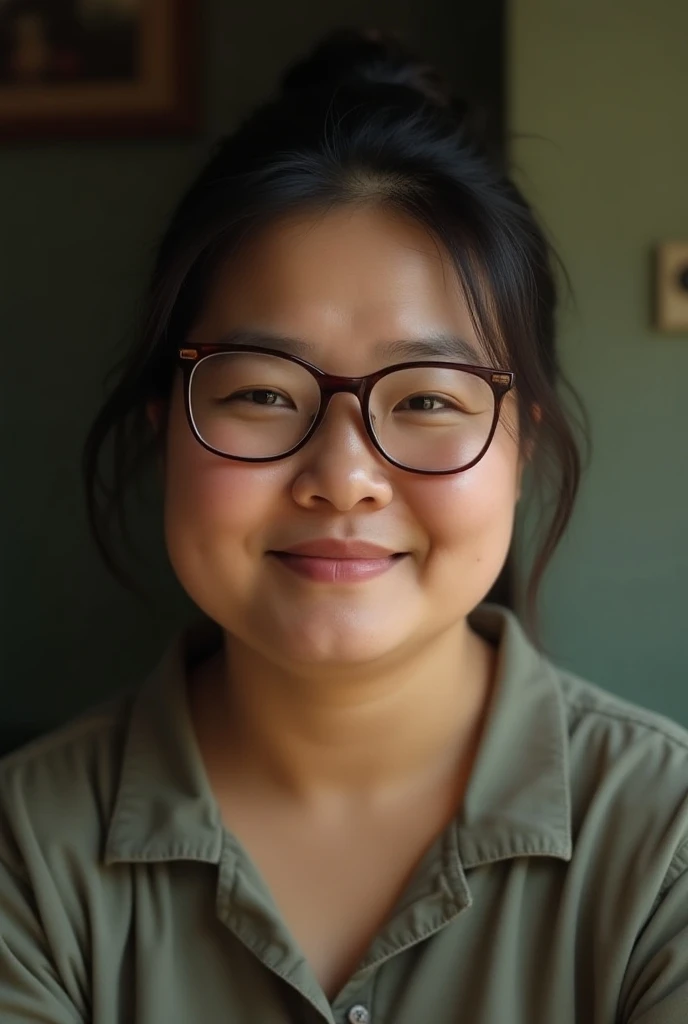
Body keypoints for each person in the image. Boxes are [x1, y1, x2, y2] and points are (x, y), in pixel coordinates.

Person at [1, 26, 686, 1024]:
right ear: (166, 431)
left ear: (521, 449)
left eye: (427, 400)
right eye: (264, 395)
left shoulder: (664, 840)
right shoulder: (24, 850)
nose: (344, 476)